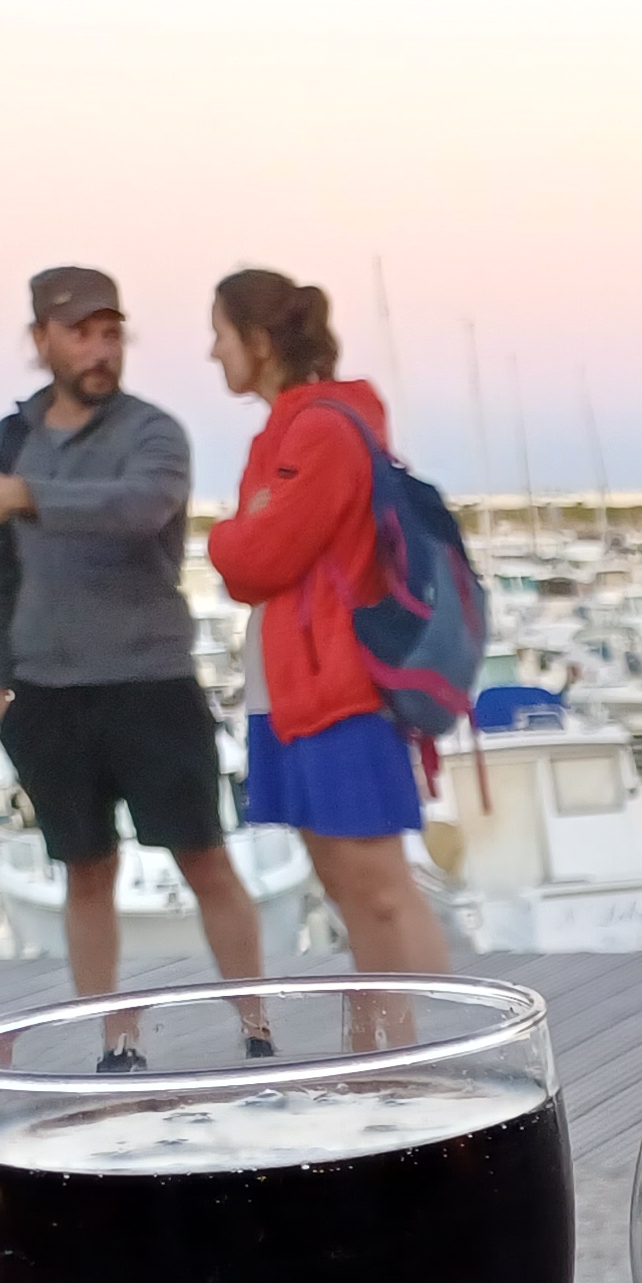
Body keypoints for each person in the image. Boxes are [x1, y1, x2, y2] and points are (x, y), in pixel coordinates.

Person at [0, 266, 273, 1054]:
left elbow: (139, 509)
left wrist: (26, 496)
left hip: (152, 684)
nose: (101, 350)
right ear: (42, 339)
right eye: (81, 334)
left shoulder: (154, 433)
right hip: (46, 694)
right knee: (85, 871)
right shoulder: (9, 441)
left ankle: (257, 1031)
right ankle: (114, 1043)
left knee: (205, 859)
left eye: (111, 334)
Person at [200, 271, 448, 973]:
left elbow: (256, 559)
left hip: (340, 688)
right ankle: (383, 1036)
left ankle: (439, 1035)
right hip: (290, 688)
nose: (213, 352)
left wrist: (229, 535)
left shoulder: (324, 430)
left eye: (220, 334)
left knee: (379, 887)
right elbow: (253, 565)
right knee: (343, 884)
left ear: (259, 341)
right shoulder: (281, 434)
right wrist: (246, 533)